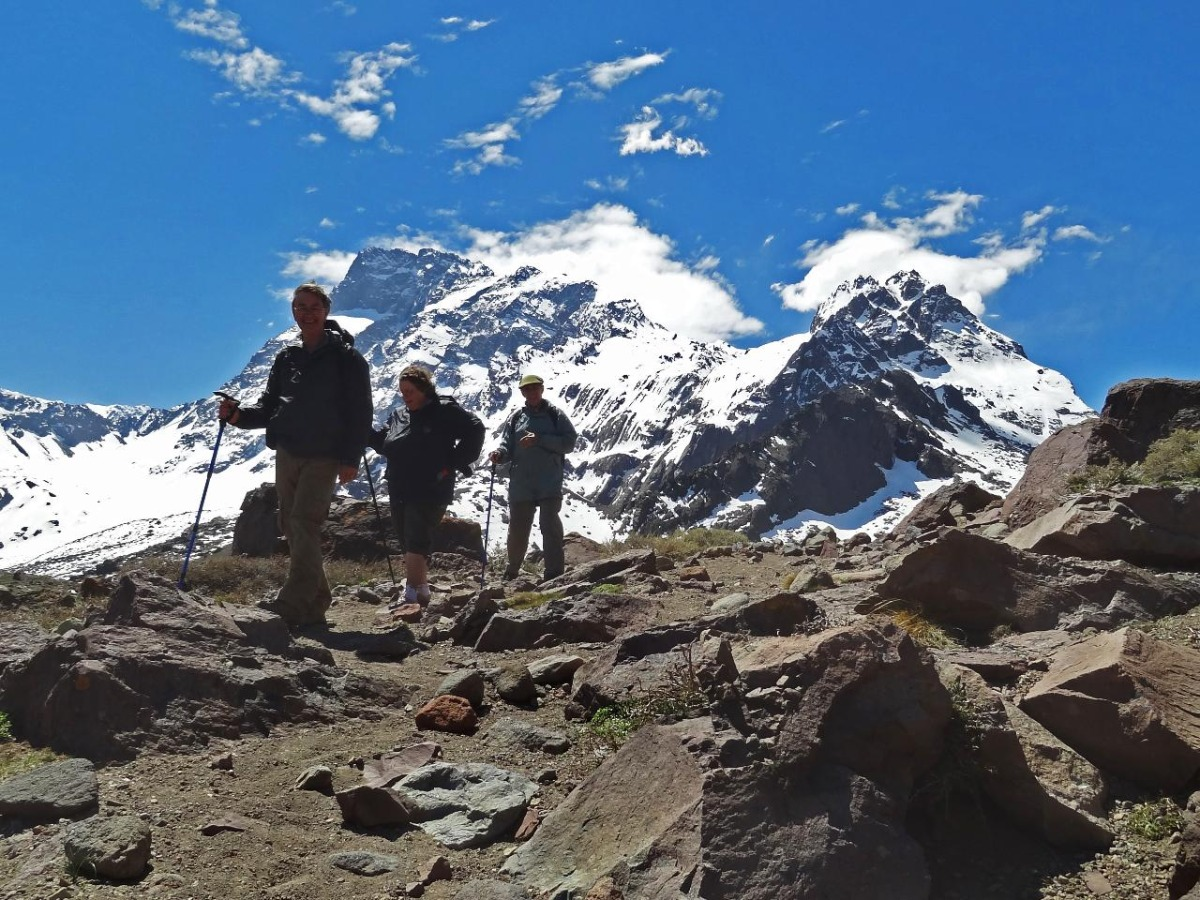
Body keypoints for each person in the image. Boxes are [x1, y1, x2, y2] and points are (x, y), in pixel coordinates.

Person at [218, 282, 372, 629]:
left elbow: (361, 411)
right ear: (293, 311)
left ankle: (291, 603)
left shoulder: (347, 358)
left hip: (325, 453)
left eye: (314, 307)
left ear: (326, 311)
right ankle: (316, 601)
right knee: (290, 524)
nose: (307, 313)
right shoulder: (287, 357)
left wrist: (351, 458)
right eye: (300, 307)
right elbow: (269, 406)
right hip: (288, 450)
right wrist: (238, 416)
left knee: (304, 521)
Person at [368, 365, 484, 604]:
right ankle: (421, 590)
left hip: (431, 485)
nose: (406, 396)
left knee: (415, 536)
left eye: (410, 391)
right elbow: (386, 443)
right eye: (402, 392)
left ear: (424, 389)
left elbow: (475, 428)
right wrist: (363, 432)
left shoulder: (444, 410)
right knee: (405, 537)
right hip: (399, 485)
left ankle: (410, 593)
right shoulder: (399, 415)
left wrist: (454, 461)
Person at [488, 374, 577, 581]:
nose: (532, 392)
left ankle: (554, 573)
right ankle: (512, 571)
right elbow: (507, 445)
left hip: (549, 482)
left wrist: (540, 440)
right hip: (522, 484)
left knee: (549, 526)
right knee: (518, 529)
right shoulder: (516, 418)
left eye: (535, 388)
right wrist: (500, 454)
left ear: (542, 389)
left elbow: (569, 442)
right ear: (522, 393)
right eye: (527, 389)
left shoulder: (555, 415)